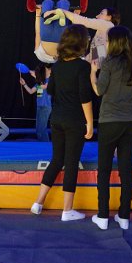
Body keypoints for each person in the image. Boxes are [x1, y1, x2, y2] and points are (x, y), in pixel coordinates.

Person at [30, 24, 93, 222]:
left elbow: (50, 91)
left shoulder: (57, 66)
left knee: (57, 160)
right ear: (81, 43)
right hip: (74, 120)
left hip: (57, 118)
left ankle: (38, 202)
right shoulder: (83, 66)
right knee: (71, 162)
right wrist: (89, 123)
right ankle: (67, 210)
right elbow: (85, 97)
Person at [89, 26, 132, 230]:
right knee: (126, 169)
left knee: (105, 168)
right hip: (129, 121)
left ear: (115, 42)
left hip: (109, 120)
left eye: (108, 41)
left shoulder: (109, 62)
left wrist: (93, 73)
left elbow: (100, 90)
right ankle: (124, 216)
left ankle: (102, 216)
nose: (106, 44)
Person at [33, 0, 72, 64]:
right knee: (47, 2)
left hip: (59, 37)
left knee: (64, 3)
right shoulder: (39, 57)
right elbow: (37, 33)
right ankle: (50, 15)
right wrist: (38, 14)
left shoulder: (60, 59)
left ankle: (58, 16)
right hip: (45, 36)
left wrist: (75, 17)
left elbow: (70, 40)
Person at [20, 63, 52, 141]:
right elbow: (31, 91)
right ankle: (43, 147)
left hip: (45, 107)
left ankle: (46, 147)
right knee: (38, 130)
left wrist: (35, 76)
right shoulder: (40, 82)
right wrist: (24, 84)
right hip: (39, 107)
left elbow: (43, 86)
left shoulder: (50, 80)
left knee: (41, 130)